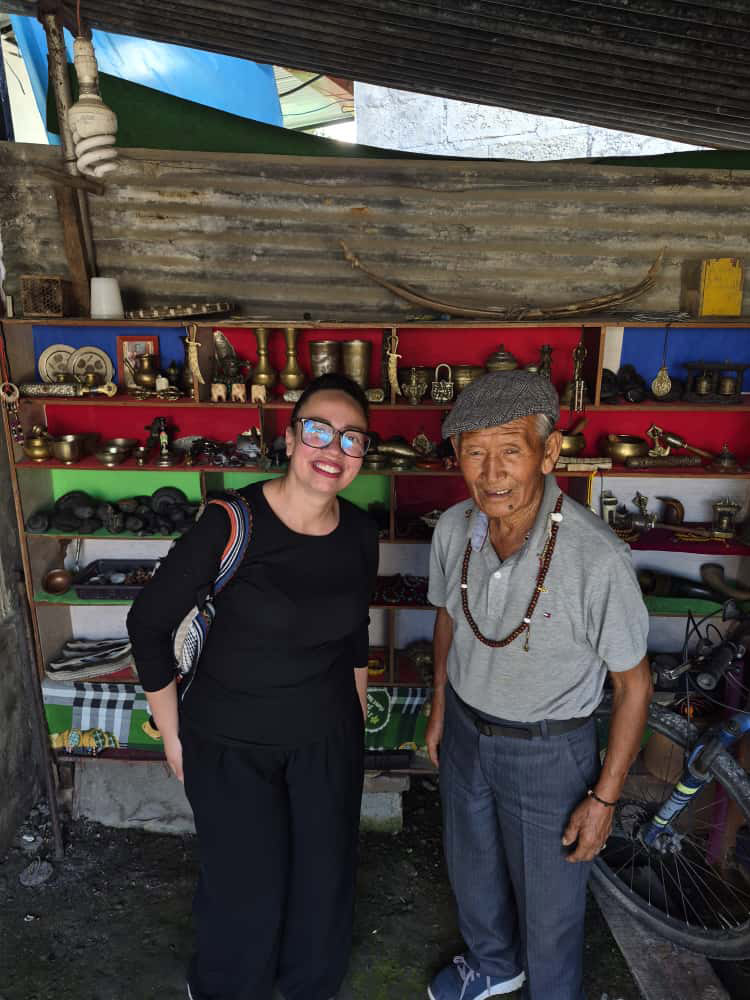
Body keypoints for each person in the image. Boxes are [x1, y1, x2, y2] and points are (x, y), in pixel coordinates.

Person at [127, 373, 379, 1000]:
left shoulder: (358, 532)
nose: (334, 448)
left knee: (324, 878)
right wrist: (172, 736)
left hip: (325, 740)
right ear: (291, 438)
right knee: (247, 885)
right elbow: (148, 623)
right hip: (230, 741)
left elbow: (354, 633)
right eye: (319, 430)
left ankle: (306, 985)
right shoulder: (230, 523)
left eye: (351, 439)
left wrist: (354, 719)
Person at [425, 371, 652, 1000]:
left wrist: (604, 799)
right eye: (474, 452)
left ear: (550, 453)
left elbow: (635, 685)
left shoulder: (595, 557)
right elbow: (447, 616)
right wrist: (442, 706)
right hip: (469, 731)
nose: (491, 472)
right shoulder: (453, 529)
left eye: (510, 450)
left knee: (551, 908)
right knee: (471, 869)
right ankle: (494, 964)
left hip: (550, 753)